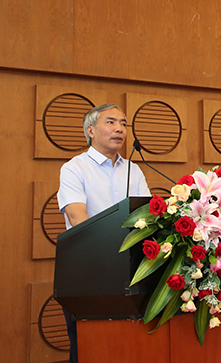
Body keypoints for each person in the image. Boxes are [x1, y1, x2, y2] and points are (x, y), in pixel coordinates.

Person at [56, 103, 151, 363]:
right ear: (91, 130)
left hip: (129, 271)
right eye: (110, 122)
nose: (119, 129)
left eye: (123, 123)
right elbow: (78, 219)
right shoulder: (74, 168)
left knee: (128, 347)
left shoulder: (134, 169)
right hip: (89, 270)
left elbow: (147, 217)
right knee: (89, 347)